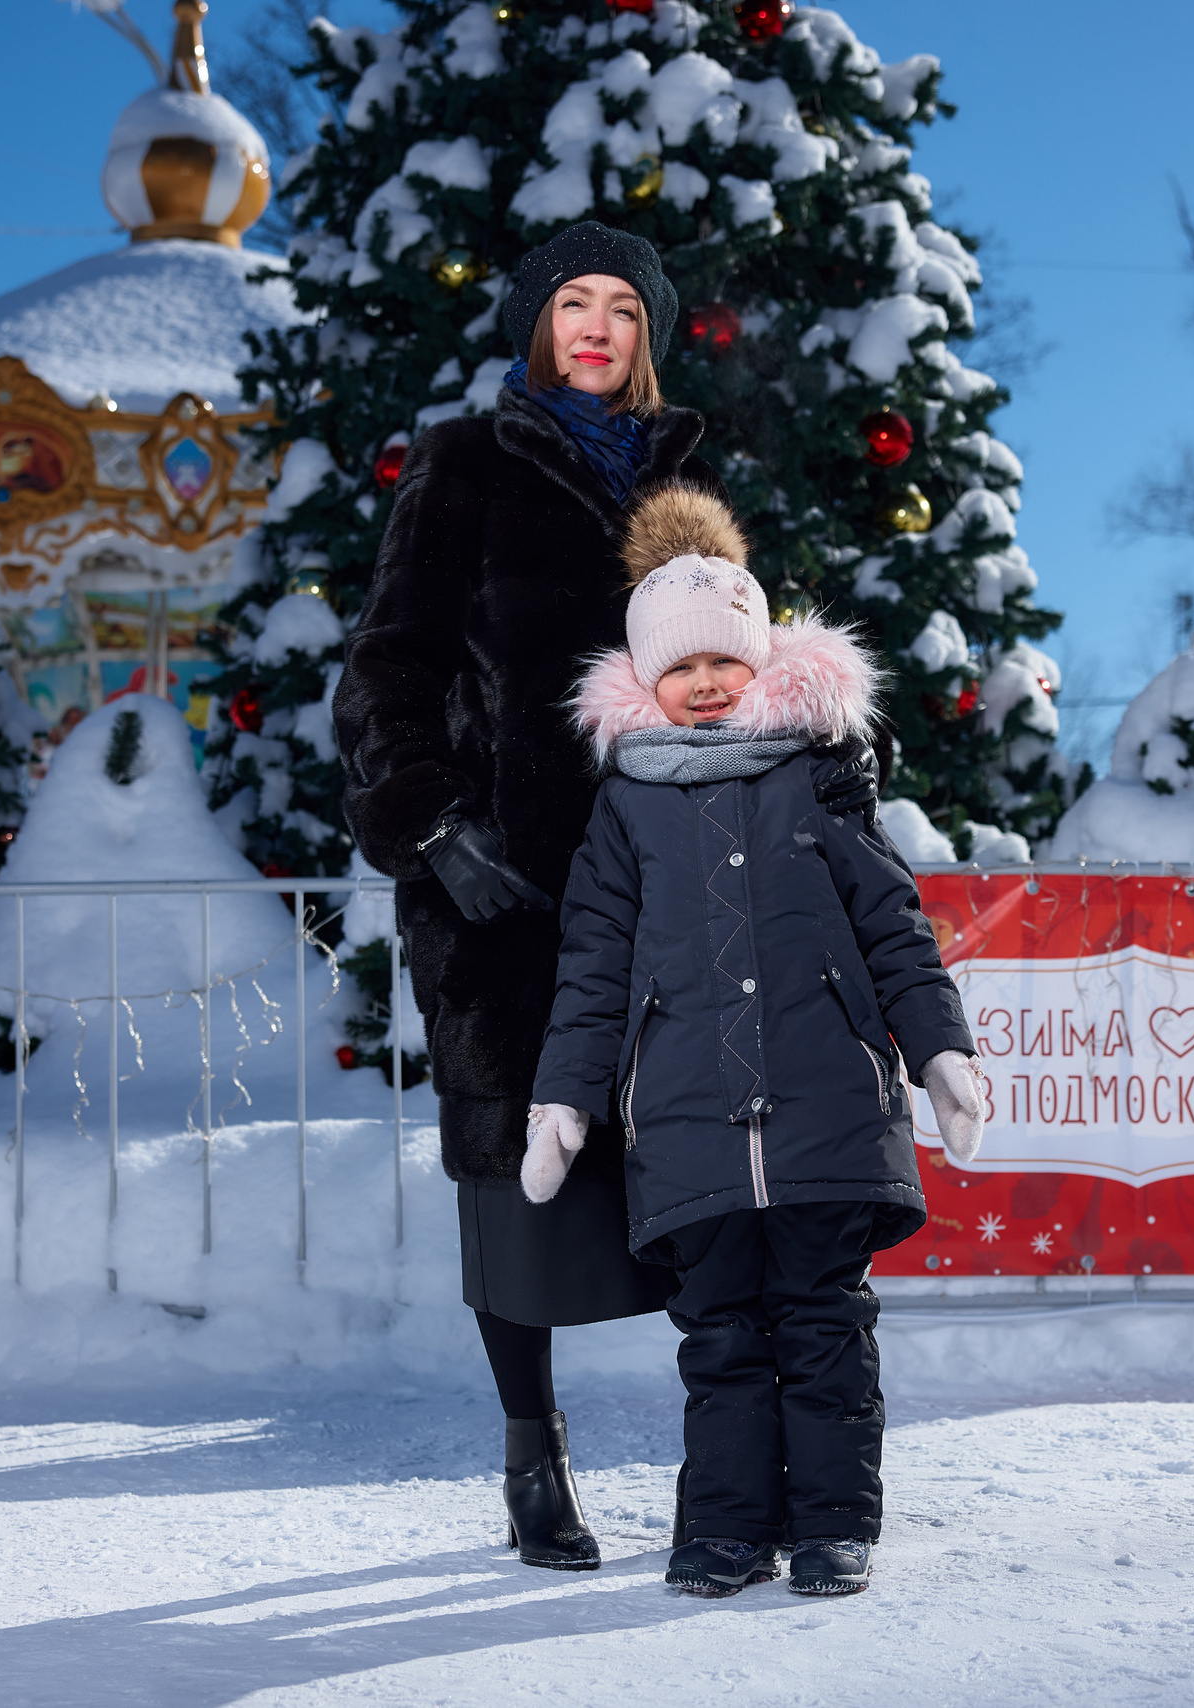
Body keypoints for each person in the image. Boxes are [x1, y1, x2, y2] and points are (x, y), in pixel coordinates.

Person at [332, 222, 877, 1572]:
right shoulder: (462, 464)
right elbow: (385, 670)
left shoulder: (690, 479)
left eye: (621, 307)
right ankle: (532, 1451)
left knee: (709, 1171)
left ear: (650, 335)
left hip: (685, 884)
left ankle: (740, 1477)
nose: (594, 325)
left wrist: (833, 736)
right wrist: (430, 826)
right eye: (569, 303)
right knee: (518, 1188)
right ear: (533, 325)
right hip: (507, 891)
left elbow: (753, 652)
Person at [525, 484, 989, 1598]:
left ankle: (834, 1522)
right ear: (645, 682)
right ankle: (727, 1528)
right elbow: (592, 967)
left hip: (825, 1102)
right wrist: (562, 1099)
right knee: (722, 1338)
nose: (702, 685)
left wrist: (938, 1051)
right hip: (686, 1118)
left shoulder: (819, 776)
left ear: (760, 658)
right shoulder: (625, 811)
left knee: (822, 1325)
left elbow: (891, 925)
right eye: (678, 669)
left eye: (721, 662)